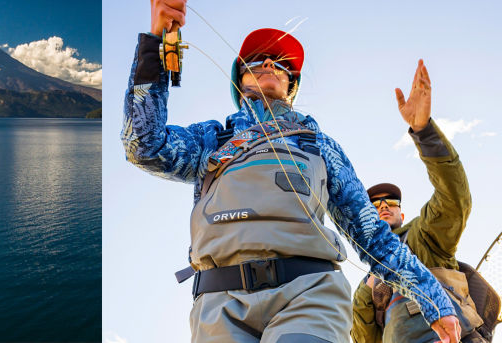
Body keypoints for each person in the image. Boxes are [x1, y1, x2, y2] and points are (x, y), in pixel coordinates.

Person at [121, 0, 460, 342]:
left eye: (280, 63)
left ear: (291, 84)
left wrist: (435, 303)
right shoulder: (211, 138)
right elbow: (144, 146)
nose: (269, 63)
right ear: (240, 80)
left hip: (309, 295)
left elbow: (373, 237)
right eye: (257, 60)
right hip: (218, 304)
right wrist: (155, 43)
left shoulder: (321, 146)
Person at [351, 80, 480, 342]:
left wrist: (424, 132)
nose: (383, 205)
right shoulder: (365, 286)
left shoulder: (424, 237)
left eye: (390, 200)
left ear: (402, 211)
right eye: (374, 205)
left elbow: (454, 198)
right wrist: (369, 292)